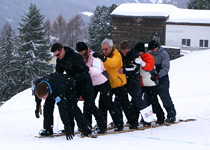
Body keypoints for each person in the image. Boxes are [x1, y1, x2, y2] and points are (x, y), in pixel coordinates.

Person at [51, 43, 107, 133]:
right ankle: (72, 127)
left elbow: (84, 71)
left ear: (62, 50)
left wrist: (72, 78)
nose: (57, 57)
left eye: (58, 54)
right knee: (71, 105)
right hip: (73, 85)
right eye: (55, 56)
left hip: (85, 83)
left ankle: (102, 125)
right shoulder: (60, 60)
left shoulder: (75, 56)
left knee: (90, 105)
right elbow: (59, 73)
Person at [76, 42, 123, 130]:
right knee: (88, 104)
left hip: (103, 81)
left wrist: (86, 70)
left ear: (86, 49)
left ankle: (118, 123)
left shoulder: (94, 56)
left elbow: (97, 70)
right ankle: (87, 124)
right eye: (80, 52)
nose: (81, 53)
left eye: (83, 51)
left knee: (107, 103)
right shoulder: (81, 58)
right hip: (92, 84)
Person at [93, 38, 138, 130]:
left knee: (125, 104)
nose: (104, 51)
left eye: (106, 49)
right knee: (102, 104)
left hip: (119, 84)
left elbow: (112, 63)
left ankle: (133, 122)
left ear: (111, 48)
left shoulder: (117, 55)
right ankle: (102, 123)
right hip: (107, 84)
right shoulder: (103, 56)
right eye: (102, 49)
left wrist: (102, 58)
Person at [33, 73, 93, 140]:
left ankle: (86, 128)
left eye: (43, 97)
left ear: (47, 92)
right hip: (52, 87)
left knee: (72, 107)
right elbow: (37, 96)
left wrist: (67, 126)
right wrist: (37, 106)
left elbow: (62, 109)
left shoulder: (58, 88)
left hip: (68, 86)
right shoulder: (38, 85)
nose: (43, 99)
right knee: (47, 107)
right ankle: (48, 129)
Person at [134, 42, 165, 124]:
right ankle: (136, 119)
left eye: (139, 52)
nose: (138, 54)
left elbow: (149, 67)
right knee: (137, 102)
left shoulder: (149, 57)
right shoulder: (137, 57)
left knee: (153, 101)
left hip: (150, 84)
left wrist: (142, 63)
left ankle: (161, 117)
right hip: (140, 84)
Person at [147, 40, 176, 123]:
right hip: (152, 80)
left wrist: (158, 75)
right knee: (149, 98)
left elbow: (166, 68)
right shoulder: (149, 54)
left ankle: (171, 115)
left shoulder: (164, 54)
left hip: (162, 79)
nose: (151, 51)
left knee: (165, 97)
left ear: (156, 48)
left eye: (152, 50)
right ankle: (149, 116)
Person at [119, 40, 147, 122]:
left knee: (138, 100)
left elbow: (135, 68)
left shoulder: (134, 54)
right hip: (125, 81)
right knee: (122, 101)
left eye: (125, 51)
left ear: (128, 48)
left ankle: (147, 117)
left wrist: (124, 70)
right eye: (122, 51)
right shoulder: (120, 55)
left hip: (134, 80)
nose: (124, 53)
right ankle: (132, 119)